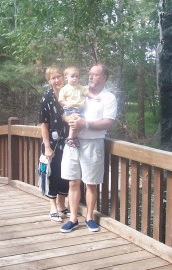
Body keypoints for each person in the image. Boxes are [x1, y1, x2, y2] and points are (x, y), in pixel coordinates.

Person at [60, 63, 117, 233]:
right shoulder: (79, 89)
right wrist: (67, 119)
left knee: (91, 184)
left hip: (93, 144)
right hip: (73, 143)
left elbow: (108, 122)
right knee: (73, 182)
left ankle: (90, 217)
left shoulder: (109, 98)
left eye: (95, 74)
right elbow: (64, 110)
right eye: (90, 73)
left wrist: (86, 123)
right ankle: (73, 218)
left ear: (104, 78)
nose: (91, 76)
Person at [38, 66, 71, 223]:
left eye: (59, 76)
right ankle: (52, 206)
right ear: (49, 80)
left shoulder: (69, 94)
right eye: (53, 78)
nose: (57, 80)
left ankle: (61, 205)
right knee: (52, 173)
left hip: (68, 142)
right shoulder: (47, 98)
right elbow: (43, 124)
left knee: (66, 172)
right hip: (51, 143)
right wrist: (47, 147)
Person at [58, 66, 99, 148]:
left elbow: (87, 93)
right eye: (72, 76)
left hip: (80, 109)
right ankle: (70, 138)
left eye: (77, 77)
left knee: (81, 124)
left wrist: (94, 97)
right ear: (66, 77)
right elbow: (60, 100)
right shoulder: (64, 89)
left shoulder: (80, 87)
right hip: (71, 109)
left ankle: (72, 137)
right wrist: (67, 103)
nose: (75, 78)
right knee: (74, 122)